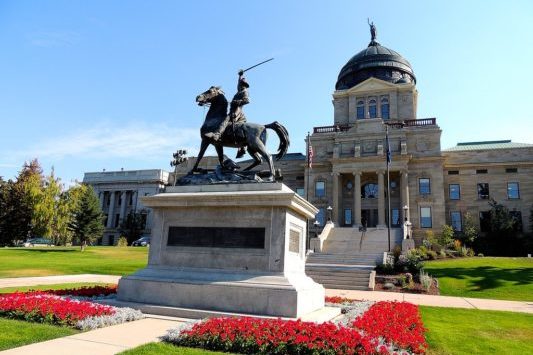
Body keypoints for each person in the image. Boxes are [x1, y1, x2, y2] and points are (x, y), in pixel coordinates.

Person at [205, 70, 249, 158]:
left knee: (226, 119)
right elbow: (237, 83)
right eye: (240, 83)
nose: (239, 85)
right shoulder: (239, 91)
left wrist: (237, 101)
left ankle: (217, 134)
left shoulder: (244, 92)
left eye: (241, 84)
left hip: (237, 111)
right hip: (233, 109)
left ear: (243, 85)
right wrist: (240, 76)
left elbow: (247, 100)